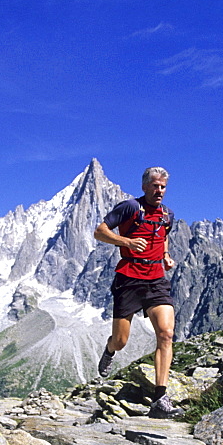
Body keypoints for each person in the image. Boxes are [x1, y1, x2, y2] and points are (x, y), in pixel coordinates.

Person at [93, 166, 183, 419]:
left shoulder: (168, 214)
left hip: (156, 280)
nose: (159, 190)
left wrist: (165, 255)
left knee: (166, 334)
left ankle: (160, 398)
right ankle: (109, 350)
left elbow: (163, 235)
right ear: (145, 187)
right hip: (129, 279)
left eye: (163, 187)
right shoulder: (130, 207)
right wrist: (127, 242)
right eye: (155, 186)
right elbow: (100, 231)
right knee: (121, 341)